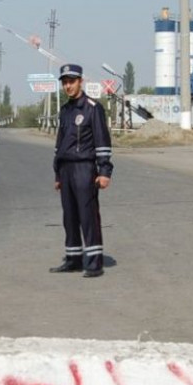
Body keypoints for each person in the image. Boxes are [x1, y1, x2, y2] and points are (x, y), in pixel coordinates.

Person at [49, 63, 113, 278]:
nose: (68, 86)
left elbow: (102, 142)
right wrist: (58, 174)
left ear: (80, 81)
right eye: (65, 82)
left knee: (88, 217)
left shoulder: (93, 108)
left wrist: (104, 171)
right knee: (70, 217)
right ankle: (73, 259)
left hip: (85, 169)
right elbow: (60, 144)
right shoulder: (65, 110)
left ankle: (94, 264)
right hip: (66, 170)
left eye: (72, 81)